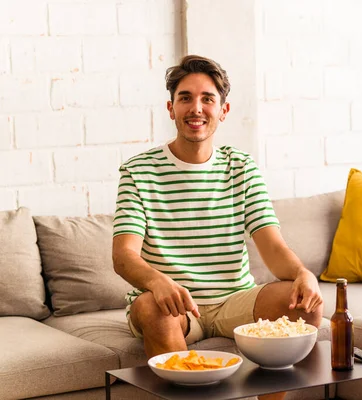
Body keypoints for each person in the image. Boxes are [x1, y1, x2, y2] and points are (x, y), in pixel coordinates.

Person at [112, 55, 323, 400]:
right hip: (173, 306)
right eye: (186, 98)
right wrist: (158, 282)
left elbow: (272, 248)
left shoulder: (242, 168)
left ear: (223, 111)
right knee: (152, 306)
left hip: (234, 300)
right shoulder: (139, 171)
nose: (196, 108)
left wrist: (302, 273)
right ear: (171, 108)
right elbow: (123, 256)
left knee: (306, 303)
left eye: (207, 98)